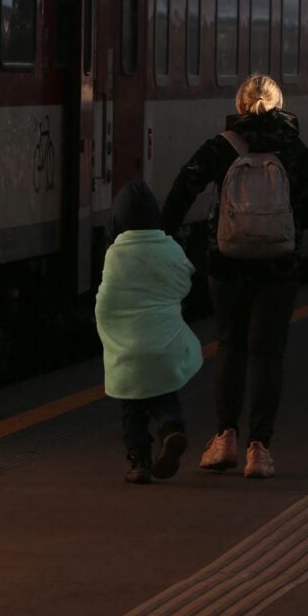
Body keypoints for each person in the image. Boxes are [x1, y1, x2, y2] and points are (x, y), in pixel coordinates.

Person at [161, 75, 308, 478]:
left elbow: (183, 189)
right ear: (278, 104)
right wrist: (287, 229)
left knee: (231, 347)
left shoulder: (223, 145)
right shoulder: (293, 148)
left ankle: (225, 439)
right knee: (267, 354)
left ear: (239, 105)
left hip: (226, 264)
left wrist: (167, 236)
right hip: (279, 267)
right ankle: (260, 450)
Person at [95, 180, 203, 484]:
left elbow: (106, 301)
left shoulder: (115, 254)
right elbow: (185, 282)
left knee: (132, 408)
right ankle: (171, 427)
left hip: (128, 350)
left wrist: (112, 331)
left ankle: (139, 462)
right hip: (163, 345)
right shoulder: (169, 246)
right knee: (164, 392)